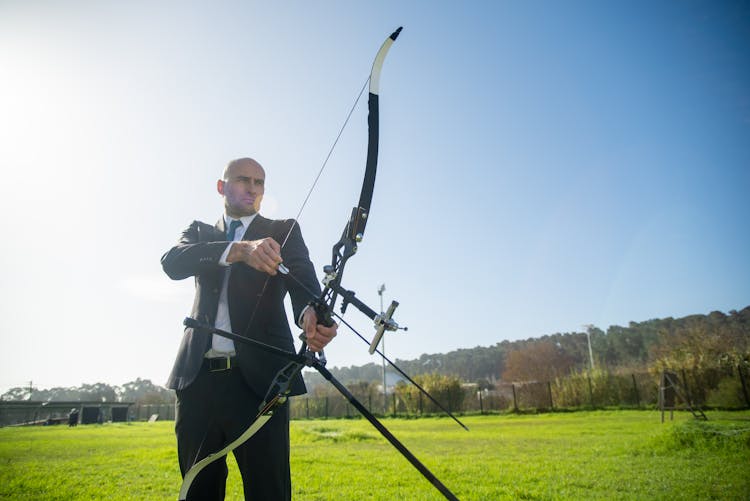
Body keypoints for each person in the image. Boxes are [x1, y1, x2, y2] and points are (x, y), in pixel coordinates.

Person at [161, 157, 337, 500]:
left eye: (259, 182)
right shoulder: (200, 232)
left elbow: (303, 286)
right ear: (222, 186)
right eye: (243, 180)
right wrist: (239, 250)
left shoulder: (282, 230)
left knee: (268, 491)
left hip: (260, 383)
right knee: (198, 489)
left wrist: (311, 316)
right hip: (198, 381)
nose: (252, 188)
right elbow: (173, 261)